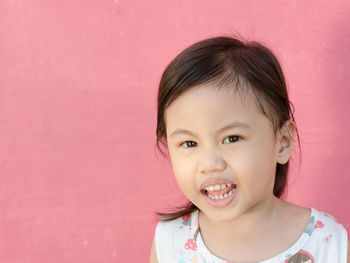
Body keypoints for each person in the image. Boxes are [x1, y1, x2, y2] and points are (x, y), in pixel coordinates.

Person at [149, 36, 349, 263]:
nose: (210, 163)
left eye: (232, 138)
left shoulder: (329, 244)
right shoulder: (170, 243)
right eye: (189, 144)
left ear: (282, 142)